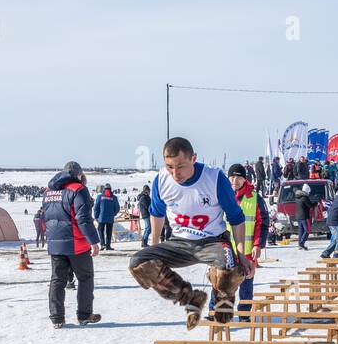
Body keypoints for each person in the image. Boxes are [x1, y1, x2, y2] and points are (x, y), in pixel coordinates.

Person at [128, 137, 252, 328]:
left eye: (180, 166)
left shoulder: (214, 178)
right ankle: (189, 297)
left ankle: (223, 305)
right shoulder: (161, 180)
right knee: (138, 263)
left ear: (193, 158)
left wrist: (242, 254)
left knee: (228, 267)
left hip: (213, 241)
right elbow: (157, 214)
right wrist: (154, 246)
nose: (175, 173)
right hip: (180, 242)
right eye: (170, 167)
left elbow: (236, 218)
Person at [42, 160, 101, 327]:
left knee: (57, 280)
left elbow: (46, 216)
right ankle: (84, 315)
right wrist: (94, 241)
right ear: (79, 175)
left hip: (55, 243)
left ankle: (57, 318)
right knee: (85, 278)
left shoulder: (48, 191)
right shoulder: (78, 189)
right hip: (76, 243)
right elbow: (83, 219)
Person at [209, 164, 268, 319]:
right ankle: (214, 311)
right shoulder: (219, 196)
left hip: (247, 250)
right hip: (224, 249)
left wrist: (258, 244)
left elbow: (262, 223)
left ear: (244, 179)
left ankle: (244, 313)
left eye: (239, 177)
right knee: (219, 282)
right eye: (232, 177)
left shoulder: (255, 198)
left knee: (246, 283)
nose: (235, 180)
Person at [94, 184, 119, 250]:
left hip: (101, 218)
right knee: (109, 232)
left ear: (104, 189)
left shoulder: (100, 197)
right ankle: (108, 246)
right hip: (110, 218)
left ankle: (102, 245)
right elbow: (117, 208)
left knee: (100, 231)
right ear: (110, 189)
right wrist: (113, 214)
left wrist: (96, 216)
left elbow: (96, 208)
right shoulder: (114, 197)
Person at [294, 183, 315, 250]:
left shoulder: (298, 197)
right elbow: (310, 206)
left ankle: (300, 243)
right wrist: (315, 203)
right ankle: (302, 243)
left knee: (301, 230)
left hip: (298, 216)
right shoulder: (305, 198)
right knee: (307, 229)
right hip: (304, 216)